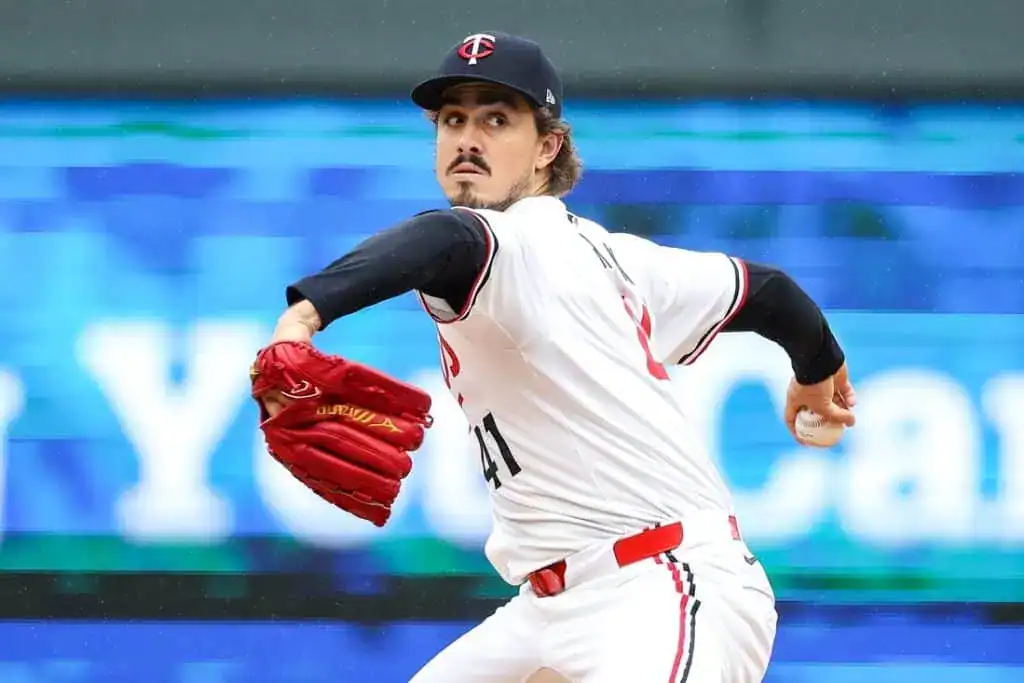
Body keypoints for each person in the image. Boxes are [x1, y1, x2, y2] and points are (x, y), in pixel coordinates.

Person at [263, 31, 857, 683]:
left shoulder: (511, 239)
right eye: (452, 119)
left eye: (497, 119)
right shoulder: (624, 260)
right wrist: (818, 368)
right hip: (548, 606)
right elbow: (768, 293)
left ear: (549, 147)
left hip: (663, 590)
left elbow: (443, 237)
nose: (468, 137)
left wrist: (303, 315)